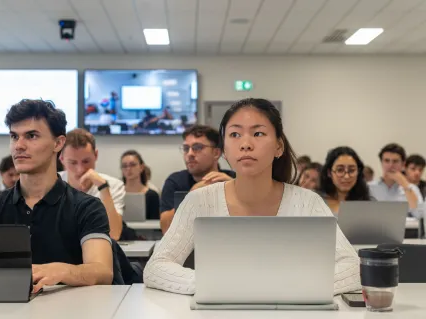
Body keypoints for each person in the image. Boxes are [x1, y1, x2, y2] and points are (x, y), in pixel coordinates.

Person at [144, 98, 360, 295]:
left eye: (258, 133)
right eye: (235, 134)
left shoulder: (307, 202)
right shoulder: (199, 201)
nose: (245, 144)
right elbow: (156, 267)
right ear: (224, 150)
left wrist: (292, 286)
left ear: (278, 146)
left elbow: (352, 267)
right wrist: (214, 284)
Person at [0, 99, 114, 292]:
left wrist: (64, 271)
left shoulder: (86, 207)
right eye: (14, 136)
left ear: (58, 143)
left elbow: (102, 272)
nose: (19, 145)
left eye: (31, 136)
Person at [160, 125, 236, 234]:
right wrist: (191, 195)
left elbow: (252, 226)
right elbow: (166, 229)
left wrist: (236, 190)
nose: (190, 154)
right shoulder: (175, 181)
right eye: (186, 148)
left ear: (216, 153)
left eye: (197, 147)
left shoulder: (233, 180)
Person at [60, 128, 125, 241]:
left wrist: (103, 188)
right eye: (73, 162)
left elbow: (114, 234)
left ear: (96, 155)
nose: (80, 169)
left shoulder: (114, 185)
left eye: (86, 161)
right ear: (61, 159)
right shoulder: (52, 183)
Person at [369, 143, 423, 218]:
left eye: (395, 161)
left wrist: (404, 184)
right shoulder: (369, 187)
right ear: (381, 163)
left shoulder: (412, 189)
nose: (390, 165)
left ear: (403, 164)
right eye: (386, 161)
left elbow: (420, 215)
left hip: (405, 229)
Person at [319, 147, 372, 215]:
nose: (346, 176)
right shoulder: (316, 202)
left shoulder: (368, 204)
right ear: (329, 173)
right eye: (340, 170)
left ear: (358, 172)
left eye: (351, 170)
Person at [121, 150, 160, 220]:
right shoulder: (116, 194)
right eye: (124, 166)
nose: (128, 169)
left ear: (141, 167)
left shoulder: (152, 195)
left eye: (132, 165)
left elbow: (155, 225)